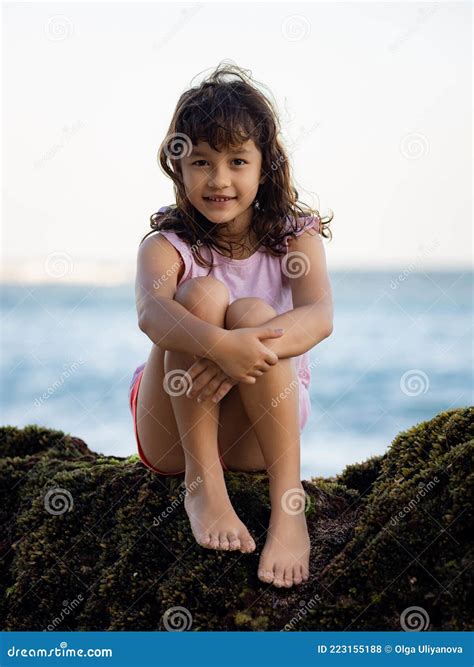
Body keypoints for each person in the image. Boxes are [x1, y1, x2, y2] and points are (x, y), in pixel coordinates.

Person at [129, 62, 334, 589]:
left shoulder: (296, 238)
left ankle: (289, 510)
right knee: (203, 295)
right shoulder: (165, 245)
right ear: (178, 168)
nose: (219, 180)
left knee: (255, 315)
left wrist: (245, 347)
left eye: (237, 161)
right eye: (201, 162)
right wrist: (220, 345)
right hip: (172, 430)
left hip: (256, 434)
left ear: (265, 166)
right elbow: (153, 313)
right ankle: (204, 486)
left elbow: (319, 316)